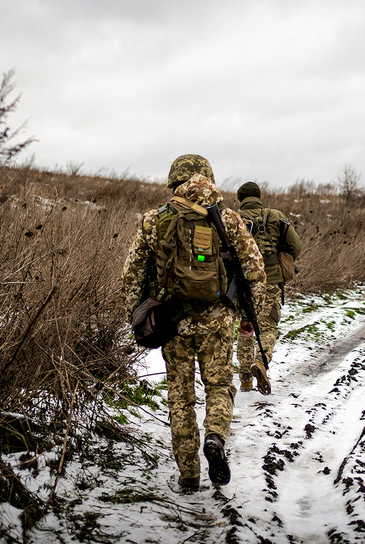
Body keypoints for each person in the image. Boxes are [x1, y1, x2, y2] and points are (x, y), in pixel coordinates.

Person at [121, 154, 266, 493]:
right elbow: (255, 271)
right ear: (209, 179)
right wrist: (248, 317)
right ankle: (215, 436)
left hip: (173, 323)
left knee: (180, 398)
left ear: (174, 182)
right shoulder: (228, 219)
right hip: (217, 323)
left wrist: (138, 320)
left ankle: (188, 475)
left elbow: (130, 277)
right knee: (218, 386)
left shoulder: (153, 220)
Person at [235, 181, 303, 395]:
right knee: (268, 325)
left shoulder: (232, 218)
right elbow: (296, 246)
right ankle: (261, 362)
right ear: (259, 197)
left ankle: (245, 378)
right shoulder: (275, 215)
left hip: (242, 281)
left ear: (240, 199)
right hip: (271, 280)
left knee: (245, 326)